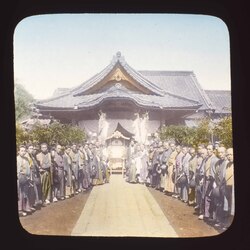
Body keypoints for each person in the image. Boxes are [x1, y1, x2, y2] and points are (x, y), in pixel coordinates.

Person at [213, 146, 229, 228]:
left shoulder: (227, 163)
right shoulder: (218, 162)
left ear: (225, 152)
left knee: (226, 205)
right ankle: (219, 221)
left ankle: (225, 223)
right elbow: (216, 174)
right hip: (219, 187)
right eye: (219, 152)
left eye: (222, 152)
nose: (220, 154)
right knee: (219, 204)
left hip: (225, 187)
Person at [17, 145, 32, 216]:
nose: (23, 152)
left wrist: (28, 177)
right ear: (18, 151)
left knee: (25, 194)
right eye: (21, 151)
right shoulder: (17, 159)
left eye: (24, 151)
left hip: (26, 178)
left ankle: (25, 208)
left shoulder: (26, 159)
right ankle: (20, 210)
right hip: (19, 178)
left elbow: (28, 169)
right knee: (20, 194)